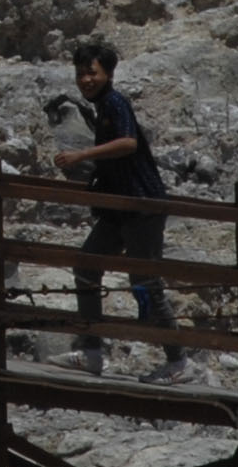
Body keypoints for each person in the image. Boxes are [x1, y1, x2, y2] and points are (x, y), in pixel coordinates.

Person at [51, 37, 182, 376]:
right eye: (80, 73)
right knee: (86, 266)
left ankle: (178, 360)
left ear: (107, 74)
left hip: (141, 205)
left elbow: (127, 142)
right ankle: (91, 351)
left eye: (91, 73)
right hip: (118, 207)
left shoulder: (115, 103)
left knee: (145, 280)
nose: (85, 80)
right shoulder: (101, 109)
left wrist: (82, 155)